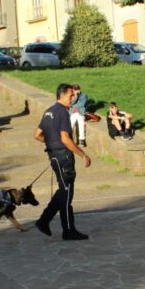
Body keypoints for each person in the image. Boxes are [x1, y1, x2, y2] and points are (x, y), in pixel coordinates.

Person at [33, 83, 90, 241]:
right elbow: (65, 139)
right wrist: (83, 154)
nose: (73, 98)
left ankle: (44, 221)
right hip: (63, 158)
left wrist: (51, 143)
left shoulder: (48, 111)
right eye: (71, 95)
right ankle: (67, 230)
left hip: (53, 156)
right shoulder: (63, 113)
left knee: (63, 191)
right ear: (62, 95)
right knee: (66, 193)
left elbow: (37, 135)